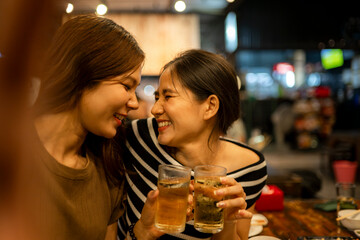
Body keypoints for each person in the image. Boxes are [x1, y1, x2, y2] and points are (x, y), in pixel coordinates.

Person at [30, 15, 163, 240]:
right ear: (83, 73)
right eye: (126, 86)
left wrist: (141, 234)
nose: (134, 103)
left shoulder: (108, 166)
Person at [117, 49, 267, 239]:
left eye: (168, 96)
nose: (155, 109)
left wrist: (227, 222)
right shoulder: (138, 137)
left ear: (210, 106)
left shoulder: (250, 169)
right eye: (156, 98)